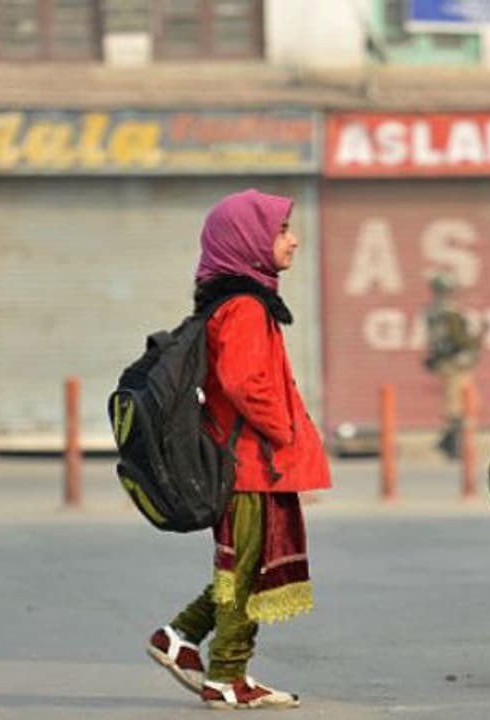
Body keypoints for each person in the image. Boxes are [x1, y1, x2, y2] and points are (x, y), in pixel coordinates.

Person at [145, 189, 332, 710]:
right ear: (248, 241)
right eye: (282, 231)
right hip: (249, 462)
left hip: (248, 459)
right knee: (249, 570)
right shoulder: (246, 307)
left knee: (246, 565)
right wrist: (286, 435)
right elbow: (246, 382)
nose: (293, 241)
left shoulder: (235, 302)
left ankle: (178, 637)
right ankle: (226, 674)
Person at [423, 273, 482, 459]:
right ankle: (450, 444)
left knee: (458, 404)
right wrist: (475, 340)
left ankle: (451, 443)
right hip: (455, 362)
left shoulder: (432, 311)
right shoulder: (449, 313)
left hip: (447, 362)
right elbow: (459, 339)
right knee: (460, 406)